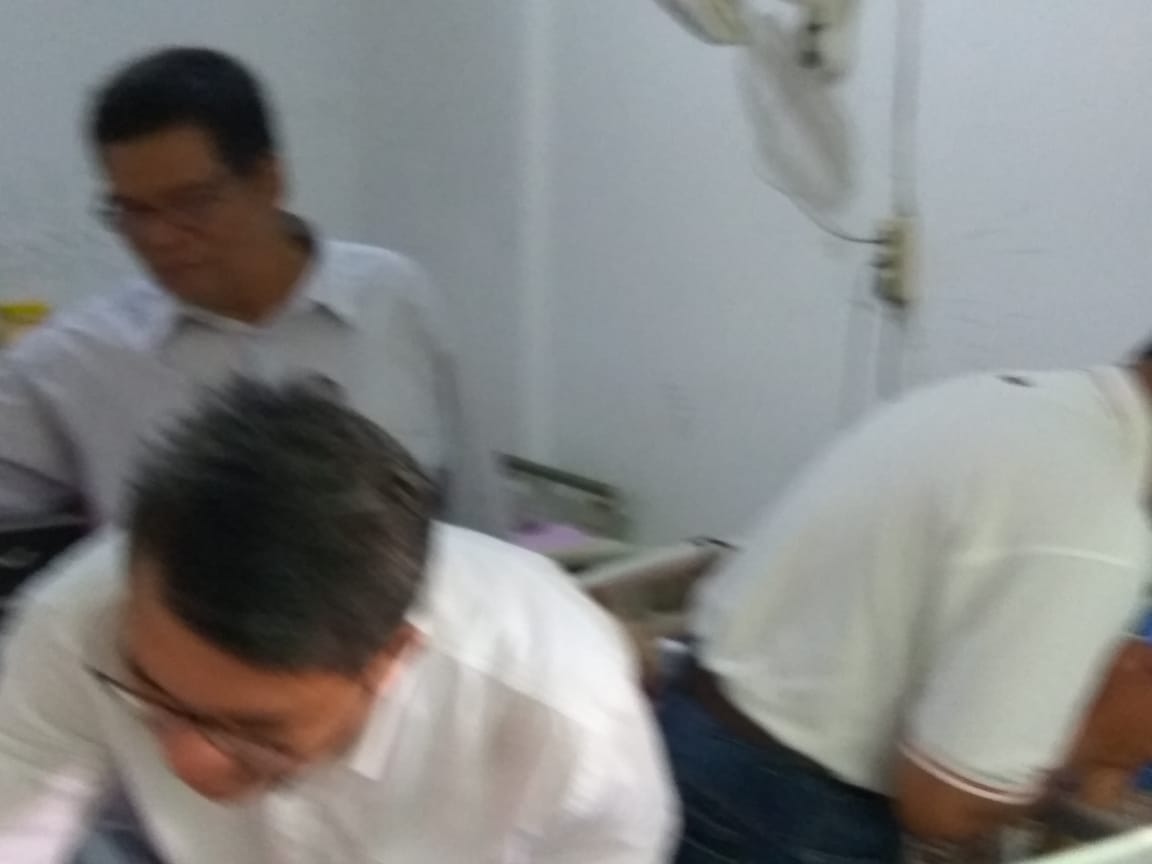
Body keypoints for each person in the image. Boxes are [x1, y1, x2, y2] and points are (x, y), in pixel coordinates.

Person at [0, 377, 675, 863]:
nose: (189, 765)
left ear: (391, 657)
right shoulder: (76, 620)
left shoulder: (562, 709)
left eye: (253, 732)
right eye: (152, 697)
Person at [661, 356, 1152, 863]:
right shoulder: (1098, 524)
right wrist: (1097, 745)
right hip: (787, 813)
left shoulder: (998, 399)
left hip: (693, 729)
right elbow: (944, 807)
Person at [0, 47, 505, 536]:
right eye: (133, 211)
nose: (159, 236)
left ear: (268, 179)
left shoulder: (392, 301)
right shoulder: (79, 360)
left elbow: (477, 515)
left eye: (191, 203)